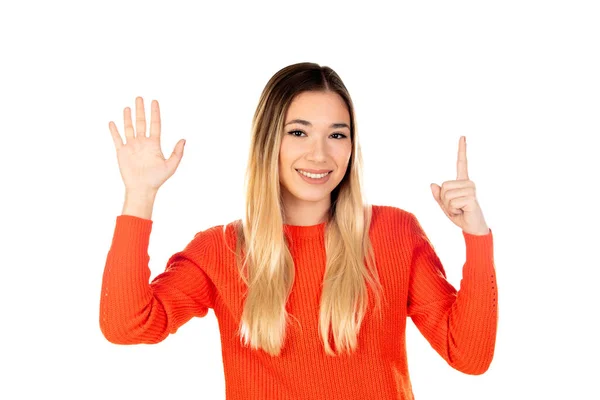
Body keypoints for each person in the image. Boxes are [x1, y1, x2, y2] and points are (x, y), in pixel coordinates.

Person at [100, 62, 497, 400]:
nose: (319, 154)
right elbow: (127, 325)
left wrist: (476, 237)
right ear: (269, 141)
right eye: (298, 132)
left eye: (337, 135)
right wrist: (139, 195)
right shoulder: (220, 250)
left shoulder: (395, 232)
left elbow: (469, 355)